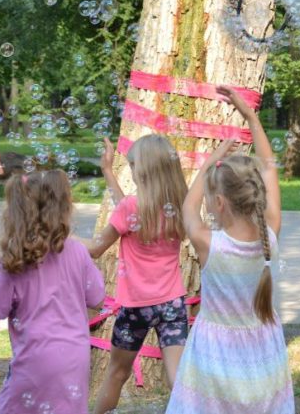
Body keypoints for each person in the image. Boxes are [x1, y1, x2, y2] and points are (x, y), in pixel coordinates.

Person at [166, 86, 292, 414]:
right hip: (263, 357)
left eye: (211, 197)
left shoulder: (210, 244)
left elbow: (188, 206)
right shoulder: (271, 235)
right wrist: (251, 116)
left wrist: (211, 161)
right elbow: (269, 168)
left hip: (215, 359)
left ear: (219, 203)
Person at [0, 169, 106, 414]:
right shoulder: (78, 251)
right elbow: (97, 299)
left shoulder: (15, 259)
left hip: (34, 359)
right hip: (74, 358)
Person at [85, 135, 189, 414]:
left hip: (136, 308)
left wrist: (60, 236)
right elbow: (128, 212)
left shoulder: (132, 207)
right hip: (172, 304)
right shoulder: (179, 204)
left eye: (132, 165)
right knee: (178, 378)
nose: (131, 170)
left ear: (142, 169)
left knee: (117, 374)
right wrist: (108, 172)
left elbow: (95, 248)